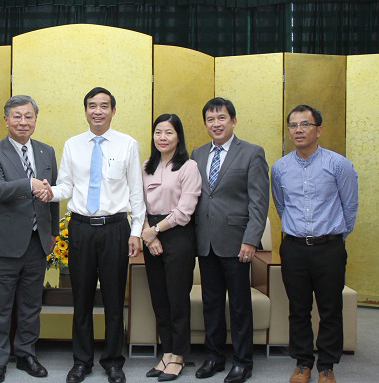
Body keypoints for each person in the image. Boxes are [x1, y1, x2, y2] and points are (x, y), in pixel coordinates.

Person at [36, 87, 145, 383]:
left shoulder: (128, 144)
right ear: (85, 111)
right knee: (81, 298)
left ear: (113, 111)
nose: (98, 110)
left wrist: (136, 231)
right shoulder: (73, 144)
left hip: (116, 229)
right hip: (81, 228)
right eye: (92, 106)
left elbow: (136, 193)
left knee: (112, 298)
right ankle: (81, 361)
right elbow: (66, 187)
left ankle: (113, 361)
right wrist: (49, 191)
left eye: (104, 106)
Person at [271, 105, 358, 383]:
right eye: (293, 125)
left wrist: (334, 239)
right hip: (294, 247)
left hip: (329, 247)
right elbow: (282, 207)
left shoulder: (338, 164)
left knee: (330, 307)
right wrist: (297, 234)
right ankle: (303, 363)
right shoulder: (280, 167)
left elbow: (350, 206)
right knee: (298, 308)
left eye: (305, 124)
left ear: (318, 130)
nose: (298, 130)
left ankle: (327, 365)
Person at [0, 95, 59, 383]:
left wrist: (53, 234)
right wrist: (29, 183)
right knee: (0, 306)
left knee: (30, 304)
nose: (23, 121)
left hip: (38, 242)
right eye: (17, 116)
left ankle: (26, 354)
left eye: (28, 116)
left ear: (35, 120)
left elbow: (52, 196)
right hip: (4, 243)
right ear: (6, 120)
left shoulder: (47, 151)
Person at [191, 97, 269, 383]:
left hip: (238, 243)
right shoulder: (197, 154)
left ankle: (243, 361)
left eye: (221, 118)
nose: (216, 124)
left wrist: (251, 240)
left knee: (238, 304)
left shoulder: (251, 153)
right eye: (210, 119)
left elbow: (259, 203)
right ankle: (213, 357)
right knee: (211, 302)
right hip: (205, 241)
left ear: (233, 121)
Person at [140, 114, 201, 382]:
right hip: (150, 234)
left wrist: (156, 231)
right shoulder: (145, 166)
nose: (162, 138)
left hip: (177, 234)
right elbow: (137, 202)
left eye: (169, 133)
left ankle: (178, 356)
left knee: (177, 298)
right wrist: (148, 235)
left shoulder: (188, 167)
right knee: (160, 299)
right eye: (158, 132)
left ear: (178, 137)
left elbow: (186, 210)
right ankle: (166, 353)